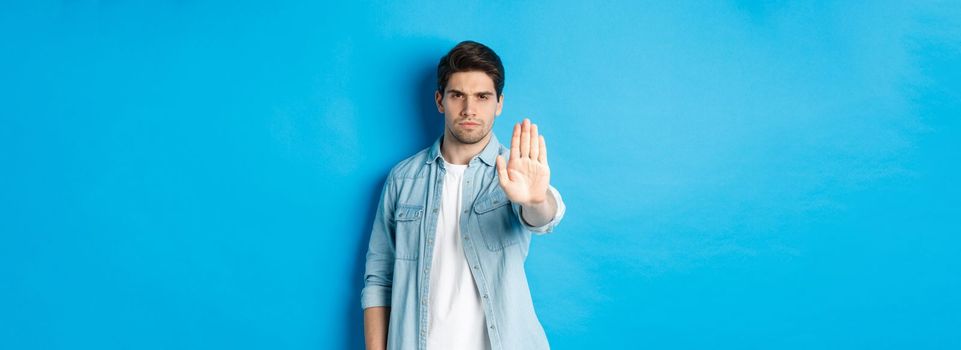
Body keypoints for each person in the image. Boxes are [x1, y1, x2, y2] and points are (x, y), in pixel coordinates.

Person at [361, 40, 567, 350]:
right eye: (458, 95)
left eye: (483, 97)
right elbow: (379, 281)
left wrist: (536, 201)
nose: (470, 109)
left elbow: (544, 218)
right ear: (440, 100)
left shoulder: (515, 172)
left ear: (498, 103)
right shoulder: (402, 179)